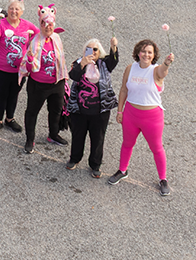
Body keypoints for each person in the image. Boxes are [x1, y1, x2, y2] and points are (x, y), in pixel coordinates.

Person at [108, 39, 175, 197]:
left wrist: (167, 63)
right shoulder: (130, 68)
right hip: (131, 114)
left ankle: (163, 179)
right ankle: (122, 170)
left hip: (152, 117)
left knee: (157, 148)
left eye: (150, 52)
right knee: (127, 144)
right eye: (143, 51)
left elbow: (163, 72)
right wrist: (120, 111)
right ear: (138, 52)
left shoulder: (156, 70)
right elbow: (124, 90)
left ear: (154, 55)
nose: (146, 54)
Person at [66, 37, 119, 177]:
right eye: (89, 49)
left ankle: (95, 165)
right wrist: (82, 64)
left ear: (99, 51)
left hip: (100, 111)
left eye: (95, 49)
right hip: (80, 110)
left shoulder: (104, 63)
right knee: (78, 136)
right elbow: (73, 76)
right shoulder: (78, 62)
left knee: (98, 138)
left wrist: (114, 47)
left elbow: (114, 60)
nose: (92, 52)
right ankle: (74, 158)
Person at [19, 7, 68, 153]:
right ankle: (30, 139)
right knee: (32, 112)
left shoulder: (57, 38)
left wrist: (64, 79)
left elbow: (61, 61)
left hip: (57, 83)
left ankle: (53, 135)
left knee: (56, 111)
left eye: (51, 24)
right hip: (38, 85)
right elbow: (27, 68)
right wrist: (29, 59)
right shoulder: (34, 42)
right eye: (45, 24)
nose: (48, 27)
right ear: (40, 24)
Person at [0, 0, 37, 136]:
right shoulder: (0, 24)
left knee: (14, 94)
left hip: (19, 71)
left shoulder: (27, 25)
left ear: (21, 11)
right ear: (7, 10)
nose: (14, 11)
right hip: (0, 69)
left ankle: (10, 118)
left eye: (17, 9)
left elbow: (40, 36)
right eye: (11, 9)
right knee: (1, 95)